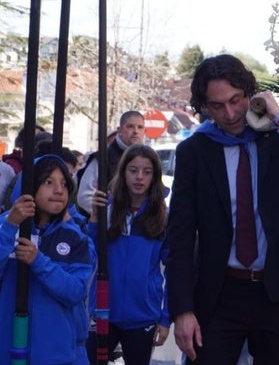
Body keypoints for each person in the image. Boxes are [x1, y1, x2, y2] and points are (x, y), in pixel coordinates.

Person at [165, 54, 279, 364]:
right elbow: (179, 235)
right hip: (219, 293)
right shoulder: (194, 151)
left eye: (236, 100)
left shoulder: (277, 137)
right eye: (217, 106)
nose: (231, 113)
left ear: (250, 93)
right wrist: (182, 309)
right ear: (205, 106)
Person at [0, 155, 94, 364]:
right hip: (7, 348)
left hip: (55, 353)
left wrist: (38, 261)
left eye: (64, 183)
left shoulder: (74, 236)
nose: (59, 190)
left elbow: (76, 291)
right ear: (30, 187)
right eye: (48, 182)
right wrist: (10, 227)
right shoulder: (7, 225)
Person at [88, 144, 170, 364]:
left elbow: (175, 270)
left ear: (155, 176)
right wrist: (95, 220)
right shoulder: (107, 208)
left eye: (147, 171)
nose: (139, 177)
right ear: (123, 172)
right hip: (103, 311)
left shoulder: (163, 216)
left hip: (143, 316)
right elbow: (89, 256)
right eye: (133, 170)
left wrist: (165, 317)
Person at [77, 110, 146, 216]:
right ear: (120, 130)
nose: (136, 131)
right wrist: (110, 217)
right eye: (130, 126)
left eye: (140, 127)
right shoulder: (102, 158)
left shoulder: (148, 159)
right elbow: (84, 196)